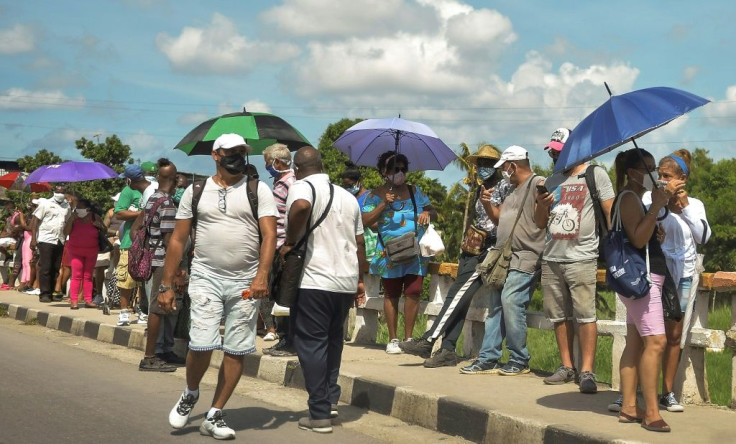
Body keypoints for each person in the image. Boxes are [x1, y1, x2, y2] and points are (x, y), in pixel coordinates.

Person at [160, 133, 276, 440]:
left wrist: (262, 275)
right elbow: (178, 239)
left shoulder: (257, 189)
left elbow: (270, 236)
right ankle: (190, 392)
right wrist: (166, 283)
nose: (238, 156)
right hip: (205, 277)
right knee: (201, 343)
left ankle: (215, 414)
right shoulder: (196, 191)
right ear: (216, 155)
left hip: (245, 282)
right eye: (232, 152)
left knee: (237, 349)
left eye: (242, 152)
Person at [400, 145, 509, 367]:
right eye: (480, 164)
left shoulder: (505, 187)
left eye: (488, 164)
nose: (483, 168)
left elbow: (502, 222)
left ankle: (429, 340)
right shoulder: (480, 188)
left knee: (457, 296)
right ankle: (448, 349)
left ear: (497, 166)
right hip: (472, 248)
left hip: (489, 250)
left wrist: (489, 205)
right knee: (458, 298)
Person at [283, 146, 365, 433]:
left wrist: (291, 239)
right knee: (332, 342)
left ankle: (318, 413)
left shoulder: (301, 187)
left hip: (315, 280)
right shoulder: (348, 197)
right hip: (344, 280)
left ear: (297, 167)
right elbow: (360, 243)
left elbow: (302, 207)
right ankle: (329, 401)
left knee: (311, 342)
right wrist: (360, 279)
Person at [534, 128, 614, 393]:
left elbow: (610, 213)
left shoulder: (595, 174)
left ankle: (587, 371)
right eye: (552, 151)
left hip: (582, 257)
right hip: (552, 256)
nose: (554, 156)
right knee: (558, 316)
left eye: (559, 151)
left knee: (585, 315)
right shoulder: (551, 180)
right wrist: (543, 205)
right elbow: (539, 223)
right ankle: (567, 366)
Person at [613, 148, 682, 432]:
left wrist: (654, 224)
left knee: (635, 342)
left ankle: (630, 407)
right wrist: (656, 205)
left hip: (636, 278)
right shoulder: (629, 197)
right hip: (644, 280)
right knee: (656, 343)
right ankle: (652, 413)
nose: (655, 173)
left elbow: (641, 234)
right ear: (633, 173)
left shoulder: (629, 198)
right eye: (650, 168)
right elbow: (638, 241)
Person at [460, 146, 545, 376]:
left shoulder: (538, 183)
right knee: (496, 306)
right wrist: (487, 204)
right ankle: (488, 358)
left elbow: (542, 219)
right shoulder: (512, 190)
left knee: (510, 301)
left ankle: (519, 358)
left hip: (526, 255)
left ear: (513, 165)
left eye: (505, 167)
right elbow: (499, 220)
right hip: (504, 257)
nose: (503, 172)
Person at [648, 149, 711, 412]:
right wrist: (660, 204)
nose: (662, 179)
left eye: (667, 175)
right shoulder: (652, 200)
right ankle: (639, 390)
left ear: (682, 178)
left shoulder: (694, 205)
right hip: (658, 272)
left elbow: (703, 237)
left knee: (675, 335)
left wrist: (683, 208)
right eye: (659, 175)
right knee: (648, 332)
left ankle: (667, 392)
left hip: (684, 274)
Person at [362, 151, 434, 354]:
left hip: (415, 250)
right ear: (384, 172)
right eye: (395, 169)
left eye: (403, 169)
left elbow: (432, 210)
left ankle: (408, 337)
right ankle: (393, 339)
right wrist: (384, 204)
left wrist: (427, 213)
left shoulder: (415, 191)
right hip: (389, 252)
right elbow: (366, 221)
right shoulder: (374, 195)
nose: (400, 173)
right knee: (392, 293)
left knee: (414, 291)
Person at [138, 158, 180, 372]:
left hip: (150, 258)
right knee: (157, 308)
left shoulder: (153, 198)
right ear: (176, 179)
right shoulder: (167, 204)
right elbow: (170, 240)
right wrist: (177, 269)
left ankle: (163, 351)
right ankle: (149, 356)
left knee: (163, 309)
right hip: (161, 261)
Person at [261, 143, 297, 355]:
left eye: (268, 162)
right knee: (276, 292)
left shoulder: (288, 183)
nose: (267, 166)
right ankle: (282, 336)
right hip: (279, 243)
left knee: (281, 293)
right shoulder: (281, 181)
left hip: (281, 245)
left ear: (277, 162)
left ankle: (285, 338)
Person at [114, 165, 148, 326]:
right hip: (129, 241)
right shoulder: (128, 191)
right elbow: (119, 212)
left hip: (148, 242)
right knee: (126, 279)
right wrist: (142, 213)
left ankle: (143, 311)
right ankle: (124, 312)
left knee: (144, 280)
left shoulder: (152, 189)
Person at [30, 185, 71, 303]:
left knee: (56, 268)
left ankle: (51, 291)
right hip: (46, 239)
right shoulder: (45, 204)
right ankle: (44, 293)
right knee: (46, 267)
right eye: (58, 191)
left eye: (63, 191)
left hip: (60, 239)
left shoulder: (66, 206)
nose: (60, 193)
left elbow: (67, 221)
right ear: (54, 192)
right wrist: (33, 238)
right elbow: (35, 222)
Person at [63, 197, 105, 309]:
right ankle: (74, 301)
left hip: (91, 250)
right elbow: (65, 232)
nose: (78, 210)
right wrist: (71, 220)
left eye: (80, 207)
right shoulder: (73, 218)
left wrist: (99, 225)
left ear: (88, 209)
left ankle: (88, 300)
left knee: (88, 276)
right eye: (77, 208)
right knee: (76, 275)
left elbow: (104, 229)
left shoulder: (95, 217)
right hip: (75, 250)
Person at [340, 161, 377, 271]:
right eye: (344, 185)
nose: (347, 188)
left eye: (349, 185)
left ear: (358, 182)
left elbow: (374, 224)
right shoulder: (348, 198)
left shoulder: (370, 197)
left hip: (367, 246)